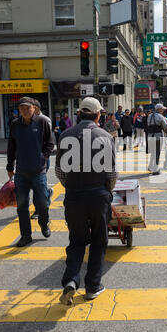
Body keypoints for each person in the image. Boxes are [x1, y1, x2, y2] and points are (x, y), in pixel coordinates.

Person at [55, 97, 117, 305]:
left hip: (74, 196)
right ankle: (92, 287)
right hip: (98, 195)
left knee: (77, 241)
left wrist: (72, 187)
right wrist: (106, 192)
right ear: (99, 115)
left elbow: (60, 171)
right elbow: (111, 174)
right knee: (99, 241)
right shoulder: (105, 136)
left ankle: (71, 280)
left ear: (79, 114)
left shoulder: (65, 135)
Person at [6, 96, 54, 247]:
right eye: (22, 108)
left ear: (34, 108)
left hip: (38, 171)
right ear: (19, 110)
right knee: (21, 206)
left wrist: (43, 157)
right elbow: (11, 147)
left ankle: (44, 223)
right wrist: (9, 166)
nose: (25, 111)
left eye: (28, 108)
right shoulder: (15, 124)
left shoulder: (42, 122)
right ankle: (26, 235)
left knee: (43, 203)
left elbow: (50, 143)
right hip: (21, 172)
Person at [147, 103, 167, 175]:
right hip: (158, 137)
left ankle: (150, 166)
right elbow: (165, 127)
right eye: (162, 109)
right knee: (157, 153)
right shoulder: (160, 116)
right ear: (159, 109)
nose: (163, 110)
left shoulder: (150, 116)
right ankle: (155, 169)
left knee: (153, 152)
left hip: (150, 136)